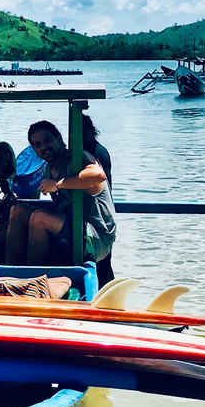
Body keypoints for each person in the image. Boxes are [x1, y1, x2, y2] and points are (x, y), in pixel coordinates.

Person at [4, 120, 115, 269]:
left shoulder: (76, 159)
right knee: (17, 212)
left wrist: (58, 184)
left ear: (58, 138)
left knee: (40, 218)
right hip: (70, 228)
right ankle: (9, 272)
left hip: (95, 237)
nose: (43, 147)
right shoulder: (48, 169)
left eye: (47, 140)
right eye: (37, 145)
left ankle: (31, 280)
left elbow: (97, 176)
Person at [79, 114, 115, 287]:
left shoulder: (94, 152)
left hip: (100, 213)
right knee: (104, 265)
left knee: (103, 265)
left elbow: (100, 181)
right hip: (100, 212)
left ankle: (107, 298)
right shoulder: (89, 150)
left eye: (83, 130)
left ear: (91, 130)